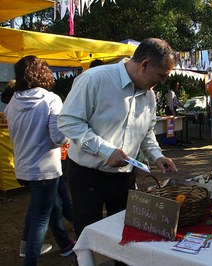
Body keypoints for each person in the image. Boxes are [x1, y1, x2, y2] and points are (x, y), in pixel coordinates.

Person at [58, 38, 178, 240]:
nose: (163, 82)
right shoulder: (94, 79)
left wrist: (157, 156)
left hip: (125, 177)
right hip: (88, 175)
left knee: (125, 231)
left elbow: (146, 131)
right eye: (161, 75)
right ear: (145, 64)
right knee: (89, 235)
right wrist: (105, 151)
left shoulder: (149, 95)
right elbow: (69, 122)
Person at [4, 55, 74, 265]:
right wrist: (69, 132)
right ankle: (30, 258)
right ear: (43, 73)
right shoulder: (51, 99)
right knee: (40, 217)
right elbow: (57, 138)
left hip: (23, 168)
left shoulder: (12, 102)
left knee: (45, 207)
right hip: (45, 170)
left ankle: (63, 245)